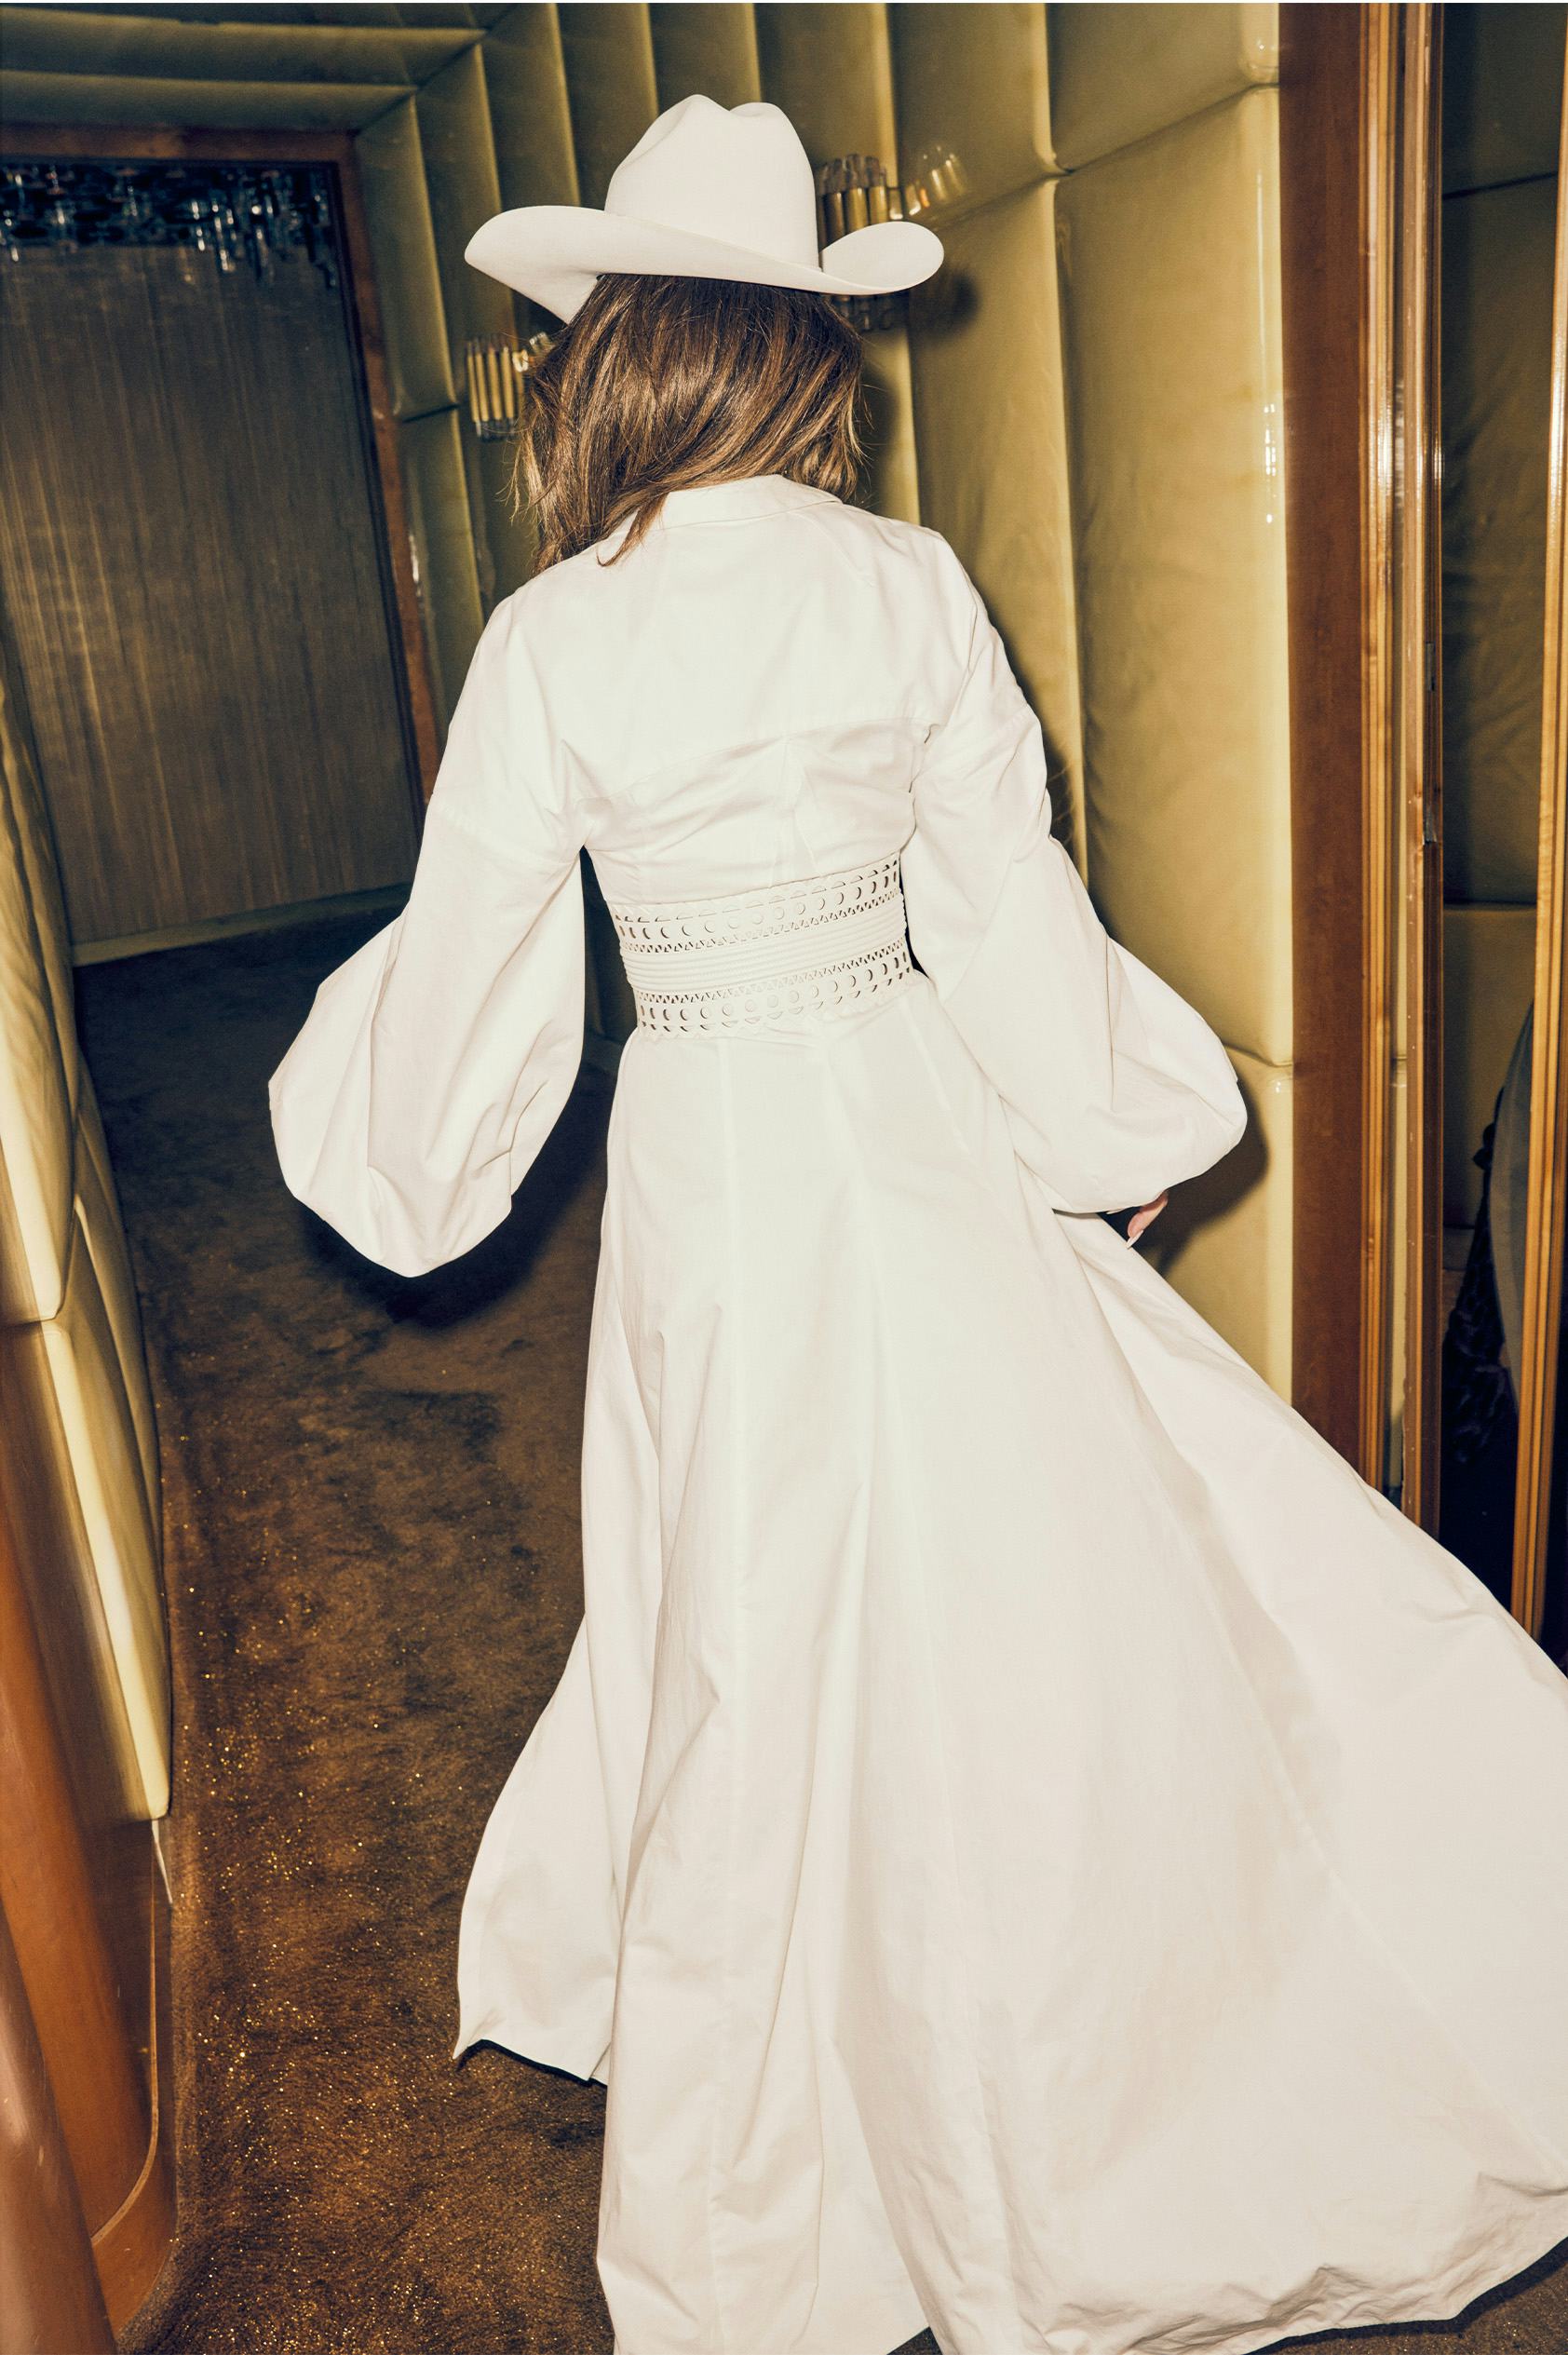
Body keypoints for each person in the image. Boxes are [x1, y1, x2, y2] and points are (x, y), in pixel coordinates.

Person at [269, 94, 1568, 2355]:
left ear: (618, 354)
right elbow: (1002, 912)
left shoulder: (553, 635)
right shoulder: (903, 585)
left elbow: (471, 984)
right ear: (796, 353)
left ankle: (805, 2127)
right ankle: (1081, 2037)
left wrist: (381, 1143)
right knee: (1001, 1577)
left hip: (716, 1159)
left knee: (746, 1589)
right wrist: (1119, 1114)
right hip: (908, 1123)